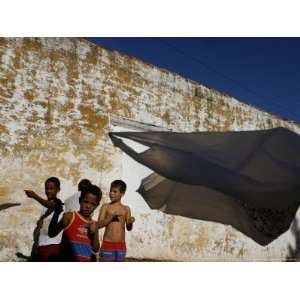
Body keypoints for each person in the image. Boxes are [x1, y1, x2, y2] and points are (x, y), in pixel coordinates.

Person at [48, 184, 102, 262]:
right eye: (86, 202)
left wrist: (94, 233)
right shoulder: (69, 217)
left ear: (97, 206)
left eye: (92, 204)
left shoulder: (94, 224)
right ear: (80, 200)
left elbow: (95, 249)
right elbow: (52, 233)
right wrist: (56, 213)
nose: (88, 206)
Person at [24, 177, 63, 261]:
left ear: (58, 190)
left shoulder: (58, 202)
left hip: (51, 246)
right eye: (47, 188)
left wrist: (35, 196)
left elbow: (51, 205)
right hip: (41, 246)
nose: (48, 191)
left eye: (51, 189)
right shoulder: (45, 207)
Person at [98, 180, 135, 262]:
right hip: (108, 244)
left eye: (115, 191)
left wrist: (130, 222)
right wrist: (110, 217)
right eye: (110, 191)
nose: (111, 193)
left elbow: (128, 228)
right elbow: (99, 225)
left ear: (122, 193)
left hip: (121, 245)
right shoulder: (106, 207)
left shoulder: (126, 209)